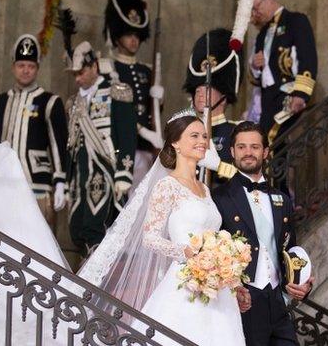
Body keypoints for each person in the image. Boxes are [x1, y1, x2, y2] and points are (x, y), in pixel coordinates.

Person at [76, 110, 246, 346]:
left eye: (204, 136)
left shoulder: (205, 189)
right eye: (194, 136)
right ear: (175, 143)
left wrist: (231, 275)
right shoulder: (167, 186)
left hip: (217, 287)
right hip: (186, 282)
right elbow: (150, 238)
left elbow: (214, 237)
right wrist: (186, 252)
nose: (202, 142)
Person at [212, 121, 314, 346]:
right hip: (243, 303)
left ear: (266, 152)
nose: (248, 152)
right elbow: (211, 256)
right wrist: (233, 290)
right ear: (232, 152)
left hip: (278, 303)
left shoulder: (283, 200)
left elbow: (290, 252)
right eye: (241, 147)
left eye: (255, 147)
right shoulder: (219, 198)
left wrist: (303, 283)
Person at [0, 34, 68, 230]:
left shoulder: (49, 101)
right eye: (21, 65)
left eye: (30, 66)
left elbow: (58, 144)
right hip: (3, 182)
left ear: (37, 68)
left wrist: (61, 181)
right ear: (13, 67)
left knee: (37, 241)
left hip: (37, 185)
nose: (26, 70)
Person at [65, 41, 137, 257]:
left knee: (98, 226)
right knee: (77, 228)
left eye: (81, 72)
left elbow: (127, 135)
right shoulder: (73, 102)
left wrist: (124, 175)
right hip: (80, 176)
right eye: (74, 74)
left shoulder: (116, 92)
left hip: (106, 172)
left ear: (94, 66)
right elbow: (71, 144)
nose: (77, 78)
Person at [104, 0, 165, 193]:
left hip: (146, 149)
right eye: (129, 34)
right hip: (119, 147)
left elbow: (152, 111)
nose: (134, 40)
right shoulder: (109, 68)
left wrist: (159, 99)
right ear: (117, 34)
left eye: (137, 35)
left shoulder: (147, 71)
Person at [250, 0, 318, 138]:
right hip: (267, 99)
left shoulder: (295, 21)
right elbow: (256, 77)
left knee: (271, 137)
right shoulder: (262, 34)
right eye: (253, 10)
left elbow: (308, 59)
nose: (256, 13)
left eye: (257, 7)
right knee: (267, 144)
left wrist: (301, 94)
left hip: (288, 93)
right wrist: (256, 65)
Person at [183, 28, 244, 186]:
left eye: (207, 89)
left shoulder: (237, 131)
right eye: (197, 90)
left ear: (224, 97)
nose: (200, 94)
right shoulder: (185, 132)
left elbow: (248, 178)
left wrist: (218, 166)